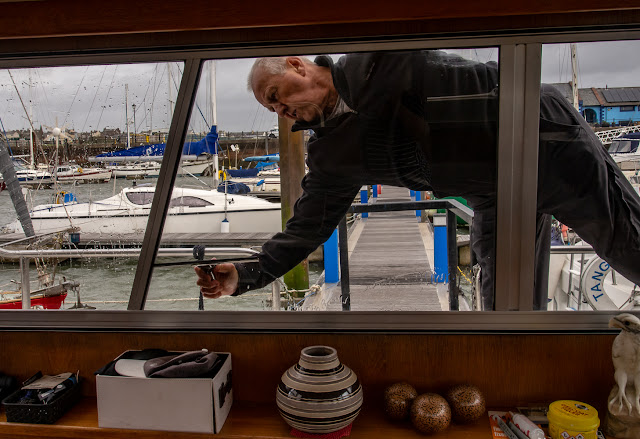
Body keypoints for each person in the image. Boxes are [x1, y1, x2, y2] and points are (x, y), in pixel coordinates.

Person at [196, 50, 640, 310]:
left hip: (546, 142)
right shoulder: (332, 154)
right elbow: (307, 227)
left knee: (627, 243)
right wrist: (249, 273)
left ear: (297, 66)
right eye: (272, 109)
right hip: (494, 194)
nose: (281, 111)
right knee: (504, 306)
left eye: (276, 96)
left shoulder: (375, 58)